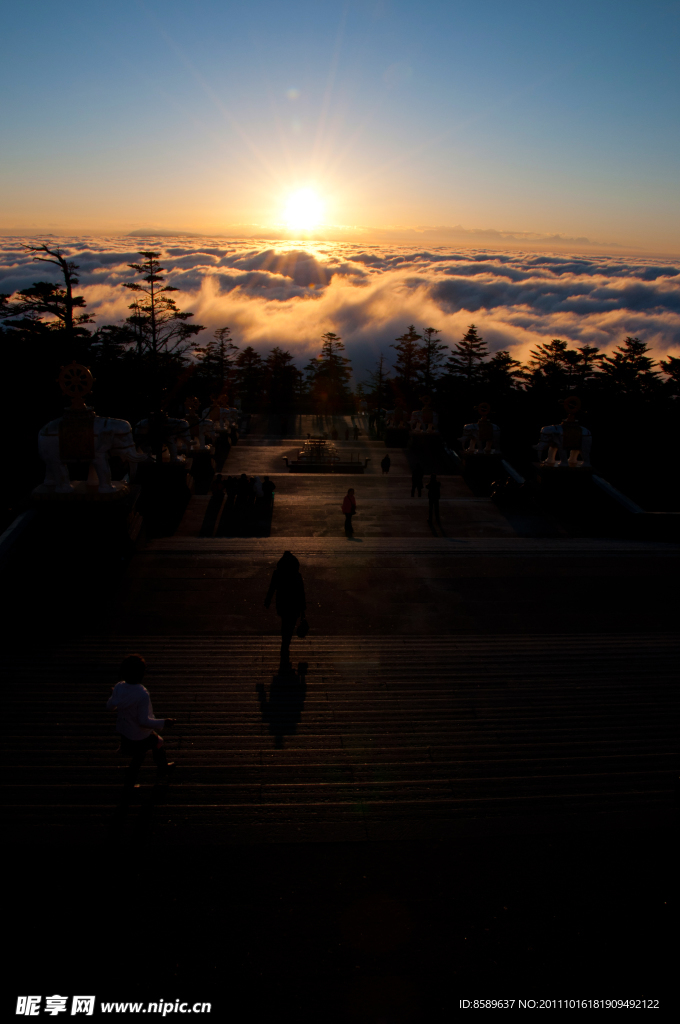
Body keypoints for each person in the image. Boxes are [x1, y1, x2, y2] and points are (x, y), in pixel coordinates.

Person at [106, 654, 175, 790]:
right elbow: (143, 721)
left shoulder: (119, 687)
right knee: (146, 751)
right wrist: (163, 722)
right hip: (139, 734)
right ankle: (159, 770)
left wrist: (114, 695)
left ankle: (161, 768)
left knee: (153, 745)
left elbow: (110, 706)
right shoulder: (141, 694)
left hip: (125, 732)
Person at [264, 551, 307, 672]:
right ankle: (285, 644)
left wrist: (268, 600)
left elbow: (272, 588)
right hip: (294, 605)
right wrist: (303, 610)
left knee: (285, 624)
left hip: (282, 604)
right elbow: (301, 593)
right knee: (290, 625)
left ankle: (284, 644)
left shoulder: (278, 573)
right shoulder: (296, 575)